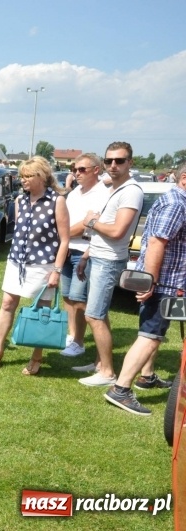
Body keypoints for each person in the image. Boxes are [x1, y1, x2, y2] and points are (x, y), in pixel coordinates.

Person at [104, 162, 186, 415]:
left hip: (168, 283)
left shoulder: (175, 200)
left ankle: (146, 376)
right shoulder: (176, 204)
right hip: (165, 284)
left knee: (155, 333)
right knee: (149, 337)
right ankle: (120, 389)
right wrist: (151, 281)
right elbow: (156, 243)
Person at [0, 156, 70, 375]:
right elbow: (20, 232)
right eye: (21, 176)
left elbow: (65, 240)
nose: (23, 180)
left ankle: (37, 355)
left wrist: (56, 271)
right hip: (17, 262)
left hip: (44, 265)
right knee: (7, 303)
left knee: (42, 311)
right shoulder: (19, 201)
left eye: (28, 176)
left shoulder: (57, 201)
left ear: (41, 177)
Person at [74, 141, 144, 386]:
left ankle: (107, 373)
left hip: (109, 260)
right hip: (98, 255)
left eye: (120, 160)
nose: (113, 165)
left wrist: (91, 222)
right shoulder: (115, 187)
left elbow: (117, 231)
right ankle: (99, 364)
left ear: (130, 163)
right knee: (99, 314)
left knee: (94, 315)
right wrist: (87, 254)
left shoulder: (131, 191)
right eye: (109, 161)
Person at [58, 154, 110, 357]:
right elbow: (64, 218)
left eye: (82, 169)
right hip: (67, 248)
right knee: (67, 296)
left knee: (79, 298)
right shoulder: (74, 193)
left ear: (96, 170)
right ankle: (72, 335)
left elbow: (86, 224)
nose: (76, 173)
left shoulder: (102, 194)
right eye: (74, 169)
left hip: (84, 250)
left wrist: (61, 235)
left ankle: (79, 342)